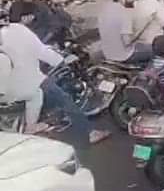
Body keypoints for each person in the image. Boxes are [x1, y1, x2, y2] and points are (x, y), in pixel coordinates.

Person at [0, 15, 106, 146]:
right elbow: (42, 52)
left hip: (10, 87)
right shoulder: (17, 30)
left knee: (38, 94)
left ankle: (33, 124)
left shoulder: (14, 31)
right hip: (25, 80)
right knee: (63, 98)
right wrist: (60, 61)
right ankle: (89, 132)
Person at [99, 0, 152, 64]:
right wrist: (143, 27)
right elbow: (127, 41)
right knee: (157, 49)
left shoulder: (105, 9)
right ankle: (148, 73)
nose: (134, 0)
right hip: (124, 56)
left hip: (107, 54)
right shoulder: (124, 13)